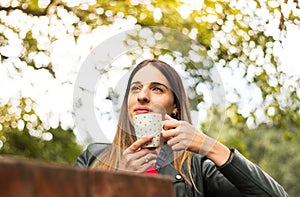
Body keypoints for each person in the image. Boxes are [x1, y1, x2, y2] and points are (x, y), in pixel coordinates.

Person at [75, 59, 288, 196]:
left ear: (175, 106)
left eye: (157, 89)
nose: (142, 96)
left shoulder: (196, 168)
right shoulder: (93, 157)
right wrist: (116, 182)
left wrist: (210, 147)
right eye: (135, 88)